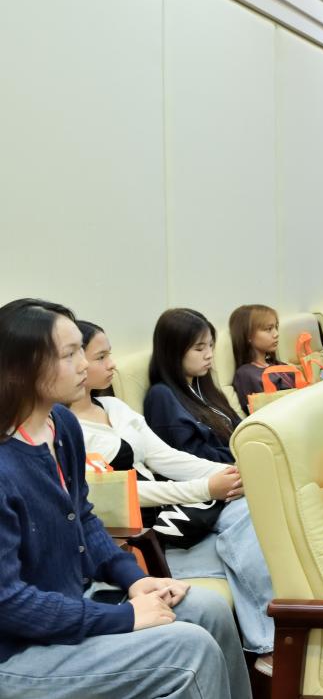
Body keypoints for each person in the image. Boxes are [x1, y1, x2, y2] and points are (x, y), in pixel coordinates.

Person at [0, 299, 251, 699]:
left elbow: (85, 519)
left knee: (210, 610)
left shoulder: (61, 425)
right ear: (23, 366)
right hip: (17, 651)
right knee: (189, 649)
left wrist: (136, 580)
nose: (84, 365)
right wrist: (122, 617)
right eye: (70, 354)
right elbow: (9, 604)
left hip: (73, 604)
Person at [70, 321, 276, 655]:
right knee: (253, 537)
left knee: (253, 514)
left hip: (177, 512)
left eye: (109, 355)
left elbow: (166, 457)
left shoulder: (114, 407)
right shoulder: (68, 430)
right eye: (100, 357)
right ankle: (270, 644)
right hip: (149, 531)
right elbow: (121, 495)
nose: (112, 365)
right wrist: (206, 488)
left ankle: (270, 642)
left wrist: (234, 473)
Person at [144, 308, 240, 464]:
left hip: (238, 464)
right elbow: (191, 455)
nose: (209, 354)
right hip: (216, 473)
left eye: (210, 345)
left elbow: (238, 426)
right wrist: (240, 453)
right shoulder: (162, 395)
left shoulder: (202, 385)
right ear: (173, 351)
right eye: (199, 348)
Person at [228, 303, 295, 414]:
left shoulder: (277, 365)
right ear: (248, 335)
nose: (276, 334)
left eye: (276, 327)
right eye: (269, 329)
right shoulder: (246, 374)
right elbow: (263, 413)